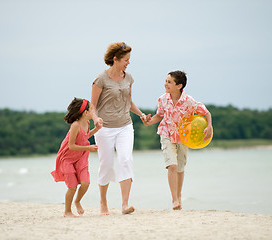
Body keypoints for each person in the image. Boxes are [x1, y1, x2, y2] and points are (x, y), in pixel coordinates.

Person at [142, 71, 213, 210]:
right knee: (172, 166)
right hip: (166, 133)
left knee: (180, 168)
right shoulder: (162, 99)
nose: (165, 84)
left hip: (184, 137)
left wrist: (209, 126)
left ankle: (179, 196)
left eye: (169, 82)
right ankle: (174, 199)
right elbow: (159, 116)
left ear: (179, 85)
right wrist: (148, 122)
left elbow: (206, 112)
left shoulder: (189, 101)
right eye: (166, 80)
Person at [91, 42, 146, 215]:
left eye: (129, 60)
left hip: (125, 126)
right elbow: (92, 105)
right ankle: (103, 203)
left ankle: (124, 204)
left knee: (125, 160)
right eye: (125, 60)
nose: (128, 63)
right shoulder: (101, 79)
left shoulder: (128, 78)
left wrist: (141, 115)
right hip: (104, 128)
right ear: (115, 59)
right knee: (106, 165)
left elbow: (128, 102)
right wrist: (95, 118)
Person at [51, 97, 100, 217]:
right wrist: (89, 148)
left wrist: (97, 129)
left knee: (85, 183)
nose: (94, 111)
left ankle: (77, 201)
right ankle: (67, 211)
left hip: (80, 157)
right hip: (67, 159)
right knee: (72, 187)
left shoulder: (87, 123)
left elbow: (85, 136)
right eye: (92, 109)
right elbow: (71, 146)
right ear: (85, 113)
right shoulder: (75, 125)